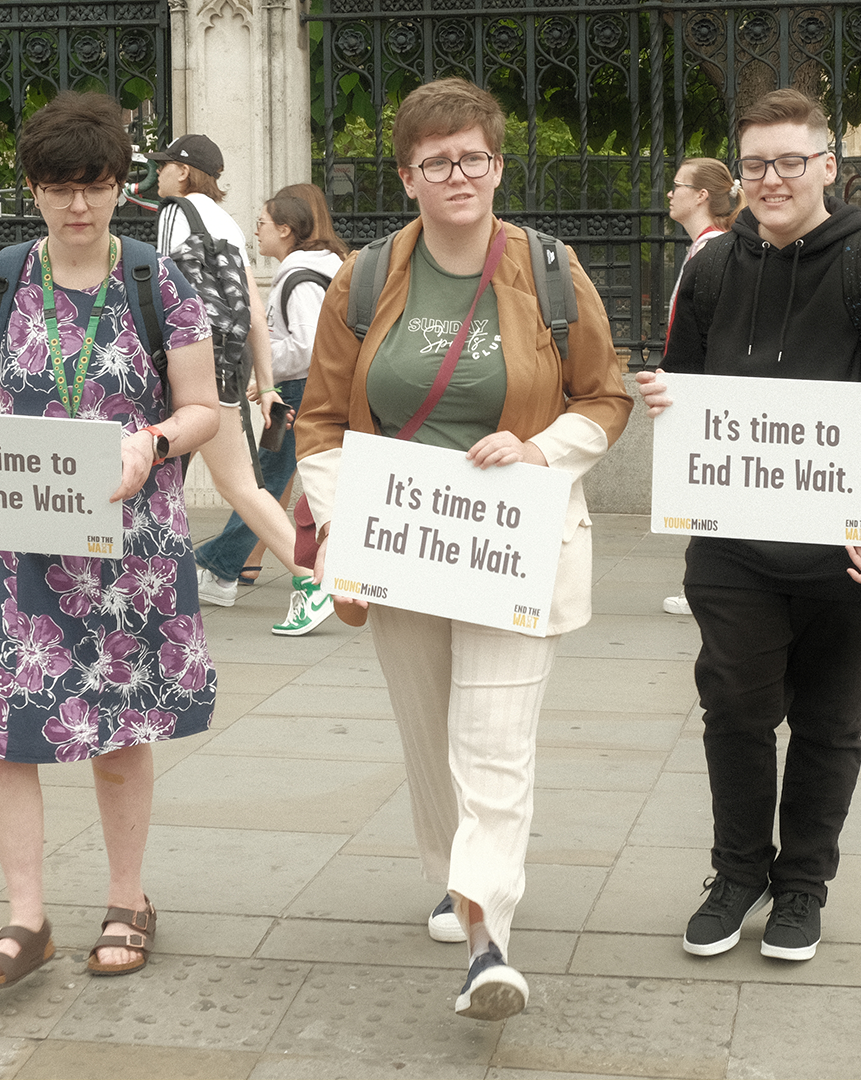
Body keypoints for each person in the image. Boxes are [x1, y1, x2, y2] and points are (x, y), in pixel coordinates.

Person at [297, 78, 632, 1020]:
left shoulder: (552, 271)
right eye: (437, 160)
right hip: (403, 547)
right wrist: (345, 521)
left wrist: (538, 448)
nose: (459, 174)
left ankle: (490, 943)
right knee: (430, 741)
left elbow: (602, 398)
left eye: (474, 157)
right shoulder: (362, 280)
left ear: (496, 164)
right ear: (408, 176)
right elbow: (319, 425)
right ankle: (456, 876)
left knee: (494, 743)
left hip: (512, 545)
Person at [0, 91, 222, 988]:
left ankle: (127, 898)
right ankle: (26, 915)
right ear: (32, 189)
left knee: (117, 725)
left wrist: (152, 442)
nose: (79, 206)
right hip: (12, 549)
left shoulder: (158, 281)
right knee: (0, 728)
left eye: (97, 186)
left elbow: (203, 411)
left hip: (126, 551)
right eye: (60, 187)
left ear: (121, 188)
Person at [639, 89, 861, 963]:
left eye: (789, 162)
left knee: (828, 718)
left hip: (851, 551)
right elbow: (685, 385)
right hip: (736, 545)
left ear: (827, 168)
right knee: (733, 707)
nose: (771, 180)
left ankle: (802, 888)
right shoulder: (711, 268)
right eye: (756, 165)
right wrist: (667, 399)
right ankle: (737, 873)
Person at [148, 136, 326, 634]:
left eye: (164, 165)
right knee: (237, 484)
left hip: (186, 361)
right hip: (226, 366)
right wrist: (266, 386)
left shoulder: (174, 212)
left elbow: (168, 293)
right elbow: (252, 311)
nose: (158, 174)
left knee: (153, 468)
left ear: (183, 172)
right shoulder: (226, 224)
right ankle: (295, 578)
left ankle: (312, 580)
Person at [189, 183, 347, 635]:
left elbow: (307, 344)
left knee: (264, 478)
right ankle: (232, 565)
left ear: (286, 229)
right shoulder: (324, 266)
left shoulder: (298, 273)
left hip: (302, 388)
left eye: (261, 224)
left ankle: (223, 564)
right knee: (272, 480)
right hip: (313, 387)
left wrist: (264, 375)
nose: (256, 233)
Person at [656, 158, 741, 617]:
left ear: (702, 195)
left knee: (709, 490)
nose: (671, 193)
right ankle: (702, 582)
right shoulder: (704, 250)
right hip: (697, 386)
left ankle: (703, 584)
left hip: (704, 391)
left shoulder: (713, 253)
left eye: (678, 185)